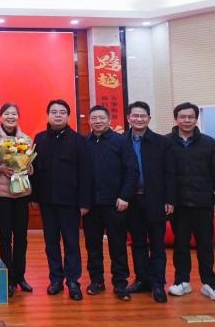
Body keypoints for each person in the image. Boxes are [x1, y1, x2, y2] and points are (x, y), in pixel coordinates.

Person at [166, 102, 215, 302]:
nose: (187, 120)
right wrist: (167, 199)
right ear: (176, 119)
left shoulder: (209, 143)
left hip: (203, 204)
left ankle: (210, 284)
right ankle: (181, 282)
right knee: (181, 245)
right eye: (182, 117)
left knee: (205, 246)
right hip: (178, 205)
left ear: (196, 119)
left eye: (191, 117)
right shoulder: (166, 143)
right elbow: (162, 175)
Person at [31, 99, 92, 301]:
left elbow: (85, 173)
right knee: (51, 243)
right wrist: (34, 196)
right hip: (47, 201)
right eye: (54, 112)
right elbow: (34, 170)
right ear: (48, 115)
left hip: (70, 202)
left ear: (68, 116)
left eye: (62, 112)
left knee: (71, 242)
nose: (58, 115)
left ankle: (73, 281)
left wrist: (84, 202)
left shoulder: (79, 140)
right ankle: (55, 279)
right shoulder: (40, 139)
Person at [83, 105, 138, 301]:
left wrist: (125, 196)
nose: (97, 121)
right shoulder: (84, 142)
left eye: (101, 118)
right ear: (89, 121)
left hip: (116, 203)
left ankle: (120, 283)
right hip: (91, 205)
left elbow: (132, 170)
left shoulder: (121, 141)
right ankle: (96, 281)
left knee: (118, 245)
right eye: (94, 118)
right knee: (92, 245)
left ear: (109, 120)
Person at [124, 101, 176, 304]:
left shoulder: (161, 142)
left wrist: (170, 199)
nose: (139, 119)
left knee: (157, 245)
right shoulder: (121, 141)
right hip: (132, 201)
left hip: (155, 199)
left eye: (143, 116)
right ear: (128, 118)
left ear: (149, 118)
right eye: (135, 116)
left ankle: (158, 284)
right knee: (137, 243)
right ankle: (142, 280)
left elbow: (170, 173)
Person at [0, 102, 34, 297]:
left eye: (14, 114)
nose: (10, 117)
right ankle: (8, 277)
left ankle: (20, 276)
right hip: (1, 193)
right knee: (5, 236)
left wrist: (26, 166)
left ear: (18, 117)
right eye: (7, 114)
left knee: (21, 236)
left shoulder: (26, 139)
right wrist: (0, 168)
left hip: (21, 193)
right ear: (0, 116)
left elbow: (31, 166)